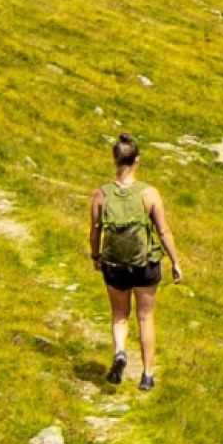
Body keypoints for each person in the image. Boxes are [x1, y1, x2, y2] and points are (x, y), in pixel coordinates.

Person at [86, 135, 184, 388]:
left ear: (115, 159)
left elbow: (95, 232)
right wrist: (175, 262)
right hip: (145, 264)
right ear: (137, 160)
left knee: (120, 314)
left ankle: (120, 351)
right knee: (145, 316)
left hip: (114, 264)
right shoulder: (149, 194)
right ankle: (147, 375)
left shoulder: (101, 195)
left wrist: (96, 256)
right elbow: (163, 231)